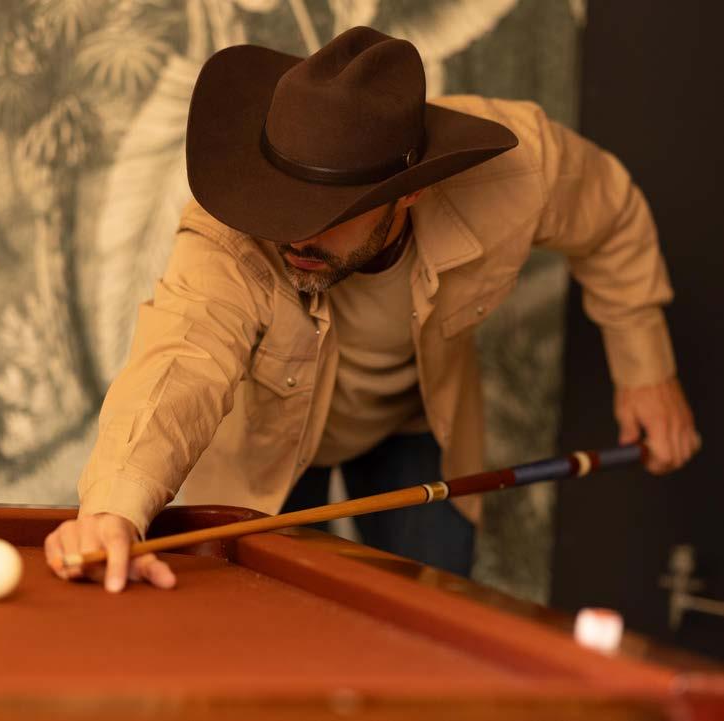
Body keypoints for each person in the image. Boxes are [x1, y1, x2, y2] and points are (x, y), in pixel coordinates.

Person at [45, 27, 700, 592]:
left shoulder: (518, 175)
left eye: (328, 211)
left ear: (407, 193)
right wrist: (112, 511)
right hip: (265, 446)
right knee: (261, 645)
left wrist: (645, 369)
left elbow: (612, 217)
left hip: (414, 422)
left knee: (436, 620)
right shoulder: (232, 230)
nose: (295, 232)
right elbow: (182, 353)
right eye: (284, 199)